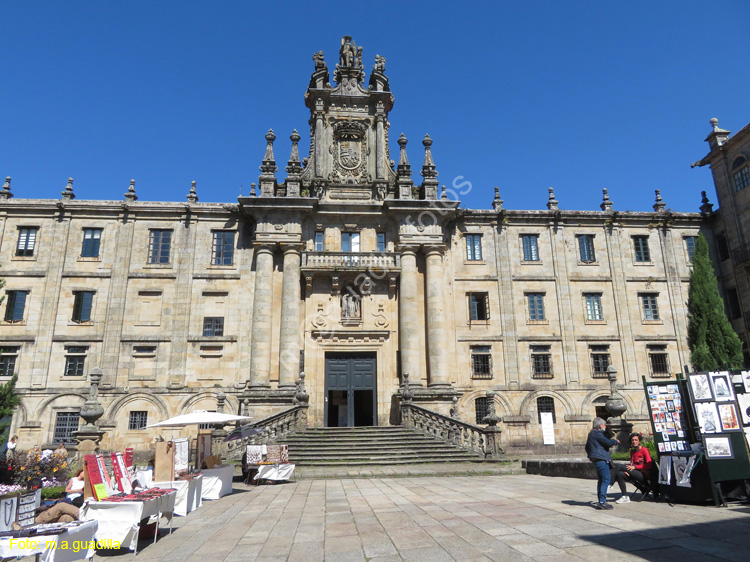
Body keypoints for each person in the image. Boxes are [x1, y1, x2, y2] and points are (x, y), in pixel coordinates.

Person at [585, 417, 620, 510]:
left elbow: (587, 447)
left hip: (596, 459)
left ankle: (601, 500)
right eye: (604, 425)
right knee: (606, 480)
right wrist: (615, 441)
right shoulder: (597, 433)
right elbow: (607, 442)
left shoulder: (591, 434)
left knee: (601, 480)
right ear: (600, 425)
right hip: (601, 459)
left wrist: (591, 455)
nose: (605, 427)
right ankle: (602, 502)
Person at [610, 433, 654, 503]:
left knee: (619, 466)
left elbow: (649, 465)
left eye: (636, 440)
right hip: (635, 473)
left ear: (639, 441)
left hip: (643, 475)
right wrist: (628, 470)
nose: (634, 441)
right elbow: (631, 464)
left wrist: (635, 467)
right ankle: (625, 496)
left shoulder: (644, 450)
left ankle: (610, 483)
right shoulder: (632, 452)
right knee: (620, 474)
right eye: (632, 440)